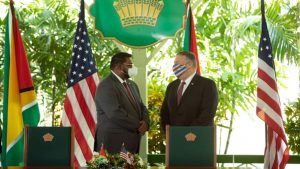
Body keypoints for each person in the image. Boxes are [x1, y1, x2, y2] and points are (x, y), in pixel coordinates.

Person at [94, 52, 150, 154]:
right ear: (118, 66)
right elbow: (115, 113)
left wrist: (146, 123)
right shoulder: (106, 85)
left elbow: (142, 107)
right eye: (129, 65)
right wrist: (138, 125)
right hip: (114, 142)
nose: (133, 68)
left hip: (131, 141)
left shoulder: (132, 85)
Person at [160, 51, 218, 133]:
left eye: (177, 63)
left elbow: (207, 113)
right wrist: (168, 132)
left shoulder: (207, 85)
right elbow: (164, 112)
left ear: (189, 64)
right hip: (174, 137)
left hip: (198, 137)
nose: (174, 67)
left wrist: (189, 132)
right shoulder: (171, 86)